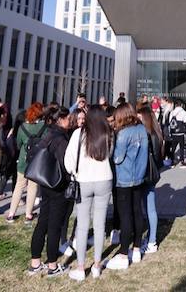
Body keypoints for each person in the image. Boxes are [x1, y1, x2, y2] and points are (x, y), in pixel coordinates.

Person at [65, 106, 113, 282]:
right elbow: (111, 154)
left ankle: (80, 266)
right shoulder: (108, 134)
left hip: (83, 180)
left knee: (82, 224)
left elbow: (68, 159)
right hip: (104, 180)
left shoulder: (79, 134)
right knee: (100, 224)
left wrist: (73, 172)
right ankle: (97, 265)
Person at [28, 106, 73, 278]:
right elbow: (65, 164)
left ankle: (35, 262)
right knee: (54, 226)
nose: (70, 121)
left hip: (45, 184)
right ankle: (52, 265)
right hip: (58, 185)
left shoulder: (47, 134)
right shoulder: (61, 139)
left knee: (43, 222)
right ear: (60, 119)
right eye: (68, 118)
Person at [106, 103, 148, 271]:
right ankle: (136, 248)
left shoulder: (123, 134)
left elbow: (117, 158)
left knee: (125, 216)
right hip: (139, 177)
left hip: (124, 178)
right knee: (137, 211)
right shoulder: (141, 130)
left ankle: (123, 254)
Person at [6, 102, 47, 223]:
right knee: (32, 187)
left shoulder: (22, 127)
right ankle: (28, 214)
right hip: (37, 161)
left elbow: (18, 144)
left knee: (19, 186)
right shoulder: (44, 127)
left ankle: (11, 213)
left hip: (24, 160)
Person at [137, 104, 164, 254]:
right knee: (149, 207)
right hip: (152, 174)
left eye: (140, 117)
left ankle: (152, 240)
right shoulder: (157, 133)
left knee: (148, 207)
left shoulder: (148, 135)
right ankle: (151, 238)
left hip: (146, 173)